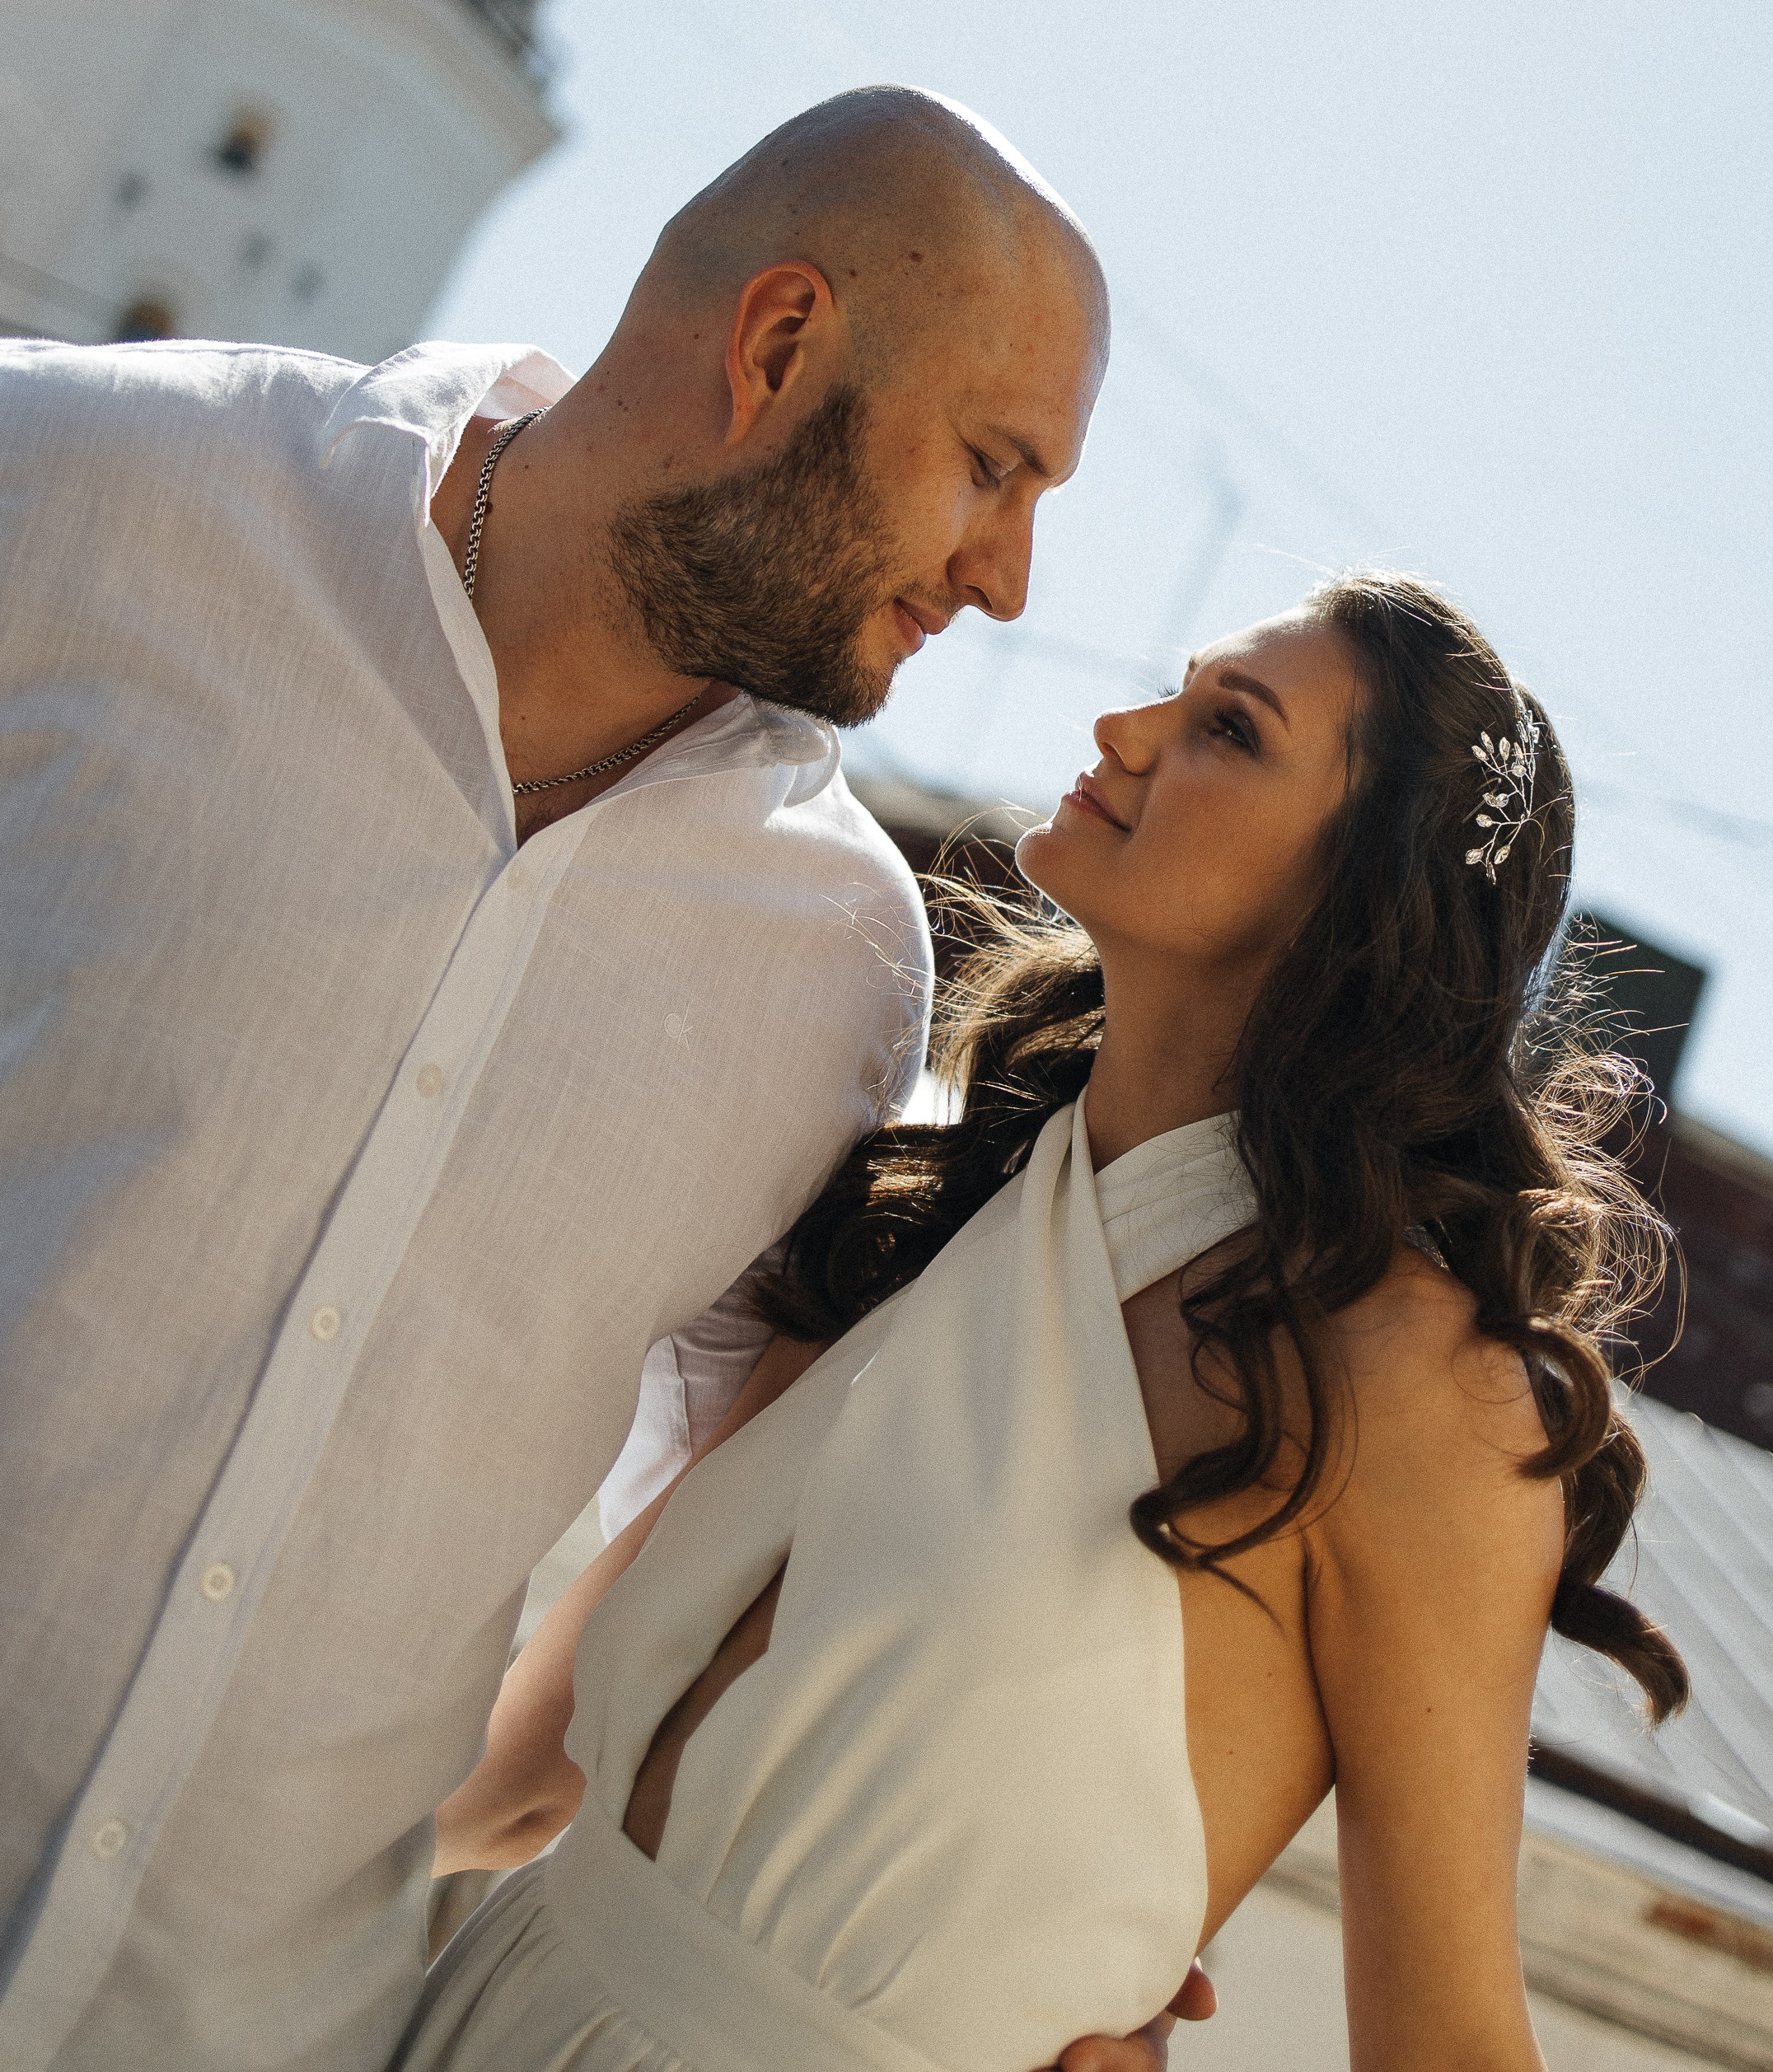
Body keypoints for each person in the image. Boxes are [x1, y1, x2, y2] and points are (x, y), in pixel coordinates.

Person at [0, 86, 1158, 2072]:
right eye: (993, 466)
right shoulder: (77, 483)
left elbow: (680, 1618)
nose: (1011, 581)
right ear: (776, 344)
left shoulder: (844, 964)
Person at [400, 573, 1688, 2072]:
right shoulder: (928, 1213)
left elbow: (1450, 2044)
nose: (1122, 729)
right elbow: (516, 1777)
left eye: (1228, 729)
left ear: (1358, 899)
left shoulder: (1413, 1384)